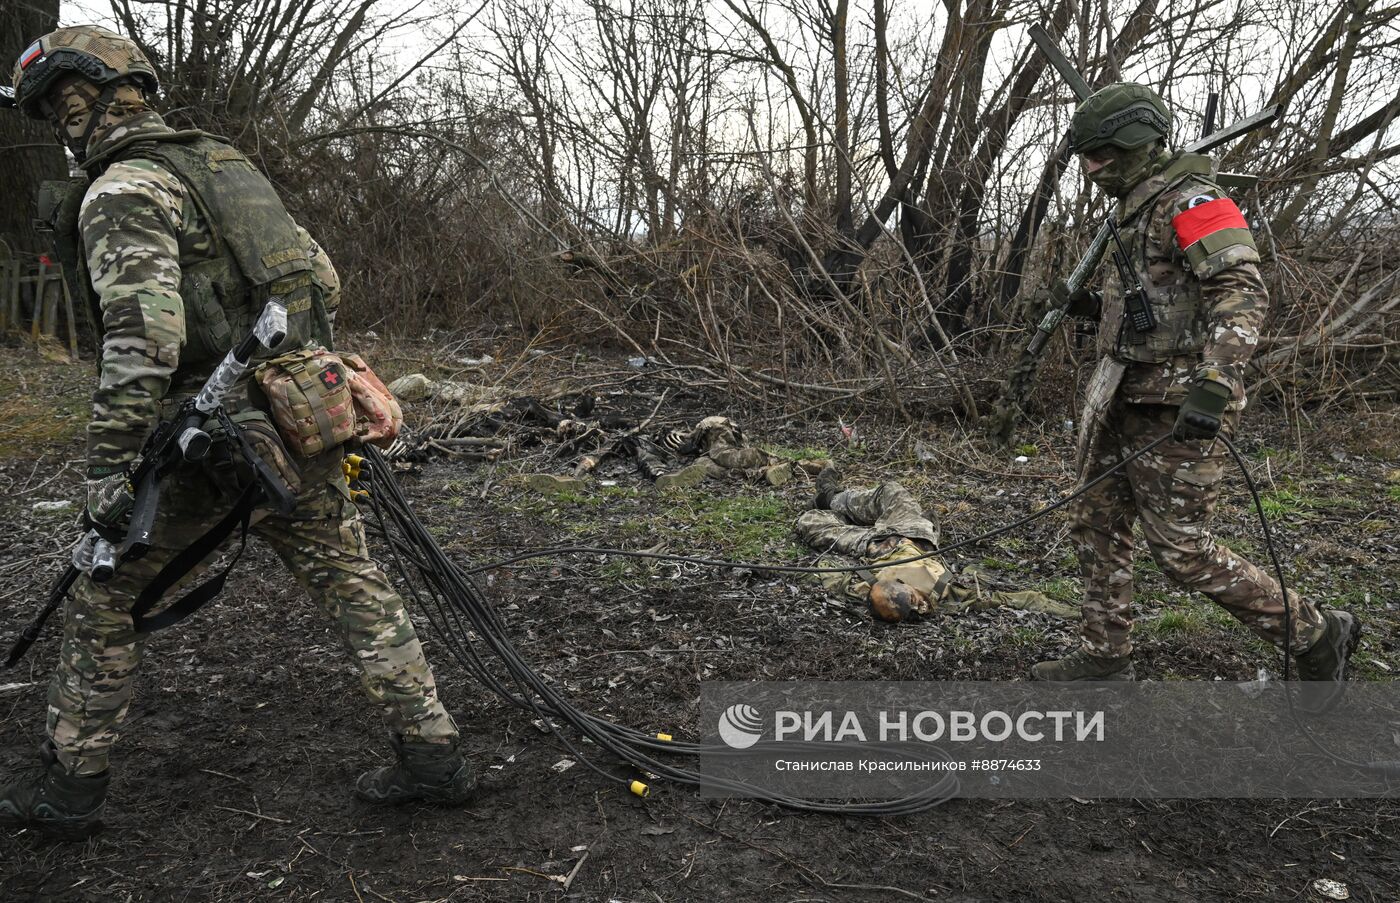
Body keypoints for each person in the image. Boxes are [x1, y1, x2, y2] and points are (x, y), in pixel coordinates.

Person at [0, 26, 472, 840]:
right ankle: (434, 756)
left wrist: (108, 474)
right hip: (293, 421)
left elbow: (143, 340)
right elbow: (319, 276)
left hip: (204, 441)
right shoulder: (224, 168)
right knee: (353, 581)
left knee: (105, 592)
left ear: (83, 100)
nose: (60, 123)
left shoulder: (123, 191)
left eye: (60, 107)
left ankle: (69, 789)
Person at [1031, 83, 1360, 697]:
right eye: (1085, 155)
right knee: (1096, 523)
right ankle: (1105, 656)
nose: (1089, 167)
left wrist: (1216, 383)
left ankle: (1316, 633)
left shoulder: (1195, 200)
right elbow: (1157, 301)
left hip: (1179, 404)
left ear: (1135, 144)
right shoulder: (1133, 207)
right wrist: (1089, 307)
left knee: (1182, 549)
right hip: (1121, 394)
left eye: (1099, 154)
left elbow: (1241, 292)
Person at [797, 469, 1077, 622]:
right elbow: (1018, 600)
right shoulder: (947, 595)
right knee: (889, 493)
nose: (921, 604)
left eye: (914, 602)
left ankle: (831, 498)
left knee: (811, 520)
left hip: (871, 543)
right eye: (916, 603)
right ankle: (839, 504)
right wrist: (1079, 612)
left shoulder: (865, 592)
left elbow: (828, 575)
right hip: (916, 536)